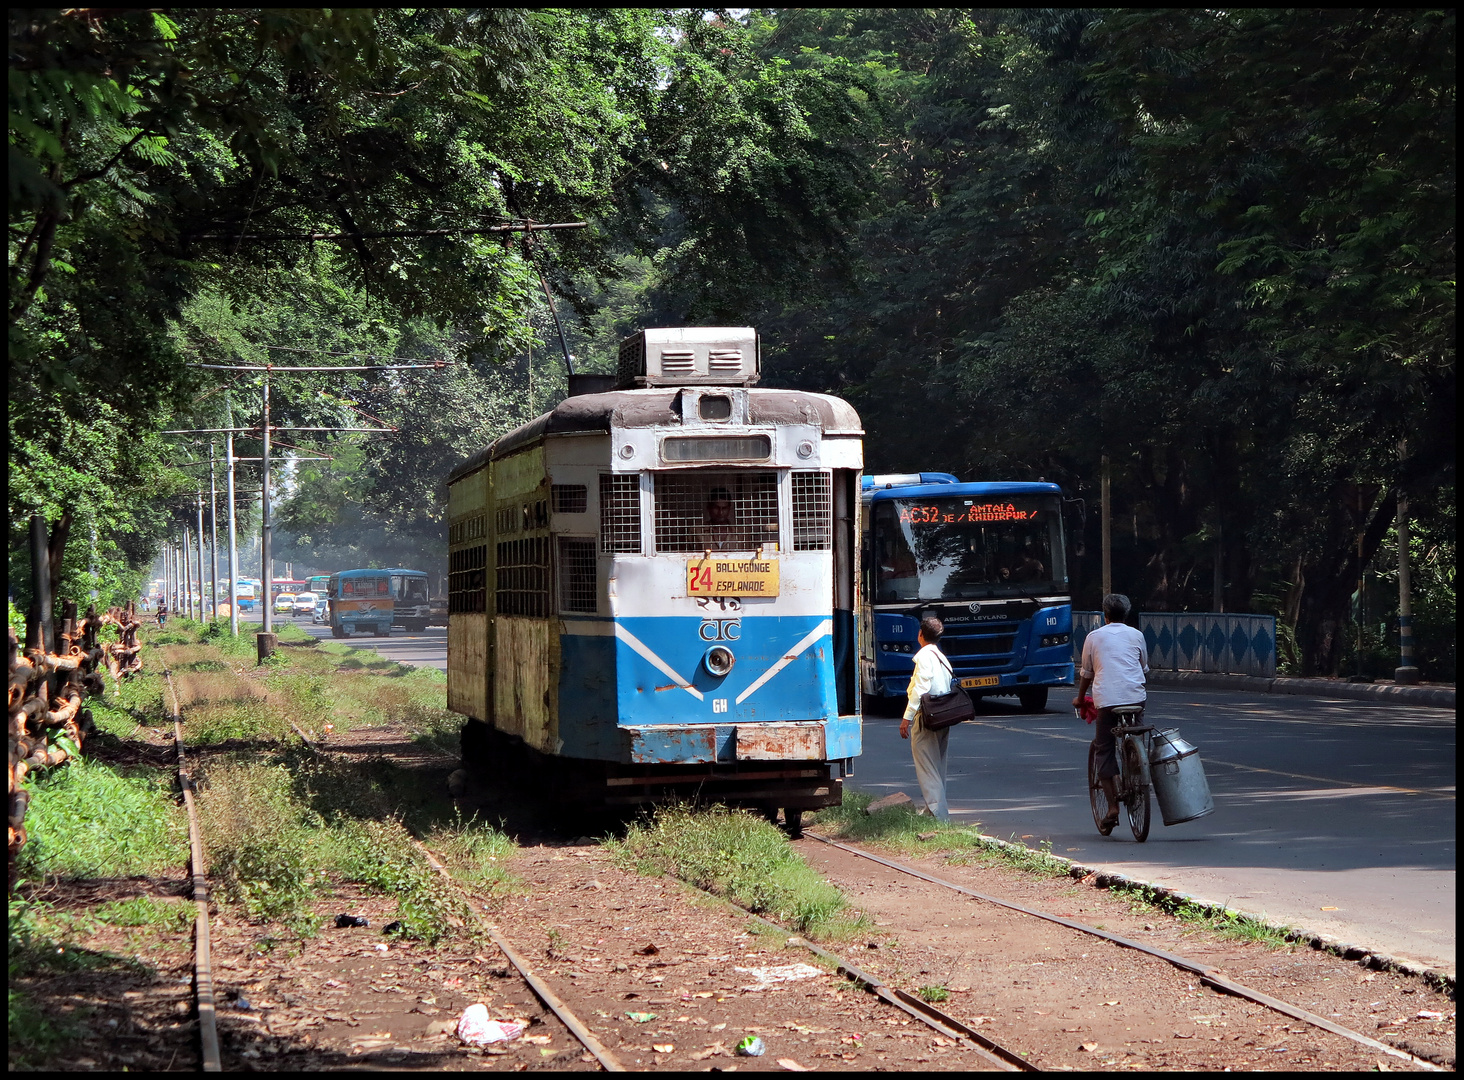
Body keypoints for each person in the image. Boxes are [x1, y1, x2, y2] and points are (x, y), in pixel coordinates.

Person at [1072, 593, 1149, 834]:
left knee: (1103, 747)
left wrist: (1079, 698)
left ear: (1105, 616)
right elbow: (1144, 668)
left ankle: (1113, 807)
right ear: (1126, 615)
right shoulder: (1137, 635)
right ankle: (1137, 763)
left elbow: (1087, 673)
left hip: (1106, 701)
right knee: (1135, 732)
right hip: (1136, 698)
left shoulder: (1094, 637)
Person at [900, 615, 954, 821]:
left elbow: (920, 688)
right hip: (944, 716)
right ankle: (934, 811)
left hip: (927, 717)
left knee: (926, 766)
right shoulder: (942, 657)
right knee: (938, 766)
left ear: (920, 634)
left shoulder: (924, 656)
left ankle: (939, 816)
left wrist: (907, 718)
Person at [699, 486, 737, 551]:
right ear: (709, 507)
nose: (720, 512)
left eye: (724, 508)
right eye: (716, 508)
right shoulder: (697, 532)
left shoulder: (740, 533)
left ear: (729, 508)